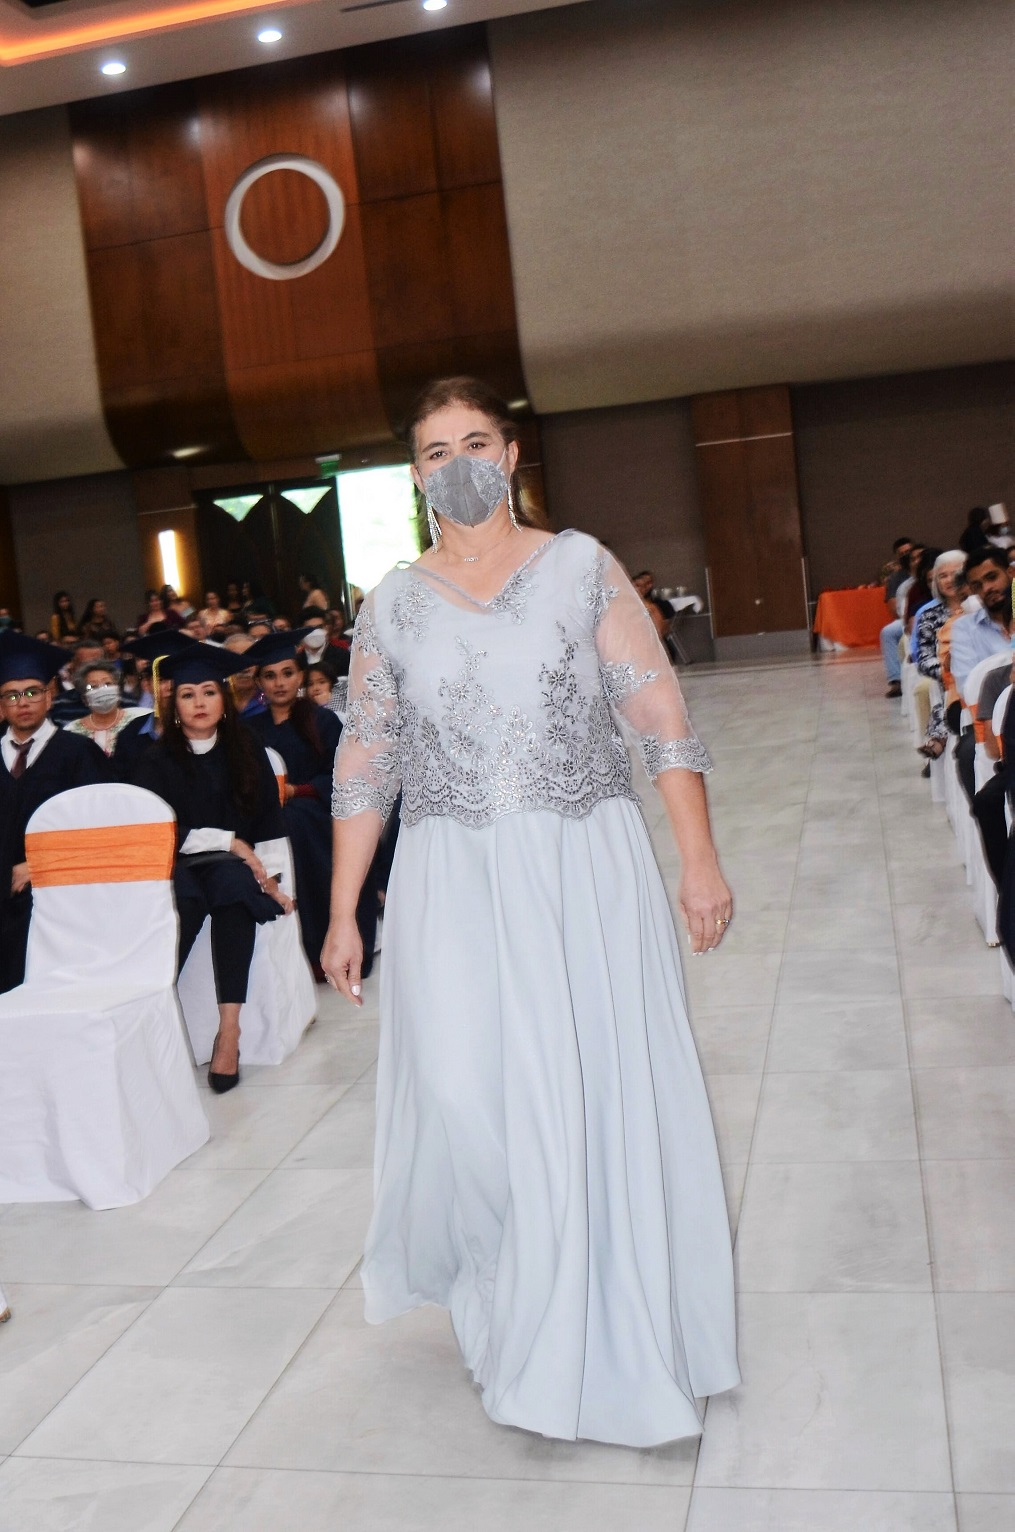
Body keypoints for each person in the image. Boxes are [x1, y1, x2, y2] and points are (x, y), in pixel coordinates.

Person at [321, 376, 738, 1448]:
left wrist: (698, 858)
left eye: (472, 441)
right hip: (449, 879)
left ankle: (591, 1325)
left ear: (508, 455)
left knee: (587, 1081)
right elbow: (366, 758)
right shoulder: (391, 602)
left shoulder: (576, 566)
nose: (454, 461)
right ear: (413, 475)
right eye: (430, 449)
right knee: (470, 1096)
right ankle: (514, 1282)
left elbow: (658, 713)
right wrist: (341, 909)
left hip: (576, 864)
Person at [135, 645, 292, 1091]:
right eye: (187, 694)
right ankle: (153, 1021)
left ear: (224, 700)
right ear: (173, 704)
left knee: (231, 889)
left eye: (208, 692)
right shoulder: (154, 760)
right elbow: (159, 829)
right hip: (175, 862)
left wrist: (275, 882)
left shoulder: (247, 752)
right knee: (184, 897)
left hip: (234, 867)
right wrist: (226, 840)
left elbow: (268, 821)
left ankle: (230, 1030)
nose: (200, 703)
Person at [245, 629, 376, 979]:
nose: (279, 683)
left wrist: (297, 792)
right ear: (259, 680)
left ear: (300, 676)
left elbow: (341, 776)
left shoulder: (321, 721)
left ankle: (325, 950)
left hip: (318, 814)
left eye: (287, 673)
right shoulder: (249, 730)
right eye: (270, 676)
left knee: (297, 823)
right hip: (268, 816)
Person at [0, 633, 108, 992]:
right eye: (11, 695)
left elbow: (96, 832)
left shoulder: (78, 754)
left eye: (32, 692)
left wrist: (42, 865)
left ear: (50, 695)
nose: (23, 703)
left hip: (55, 893)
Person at [111, 631, 200, 781]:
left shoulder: (205, 728)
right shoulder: (131, 734)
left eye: (177, 678)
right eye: (162, 679)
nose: (171, 686)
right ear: (146, 685)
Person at [64, 661, 148, 757]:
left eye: (108, 684)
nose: (102, 690)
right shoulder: (71, 731)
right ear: (84, 698)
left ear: (118, 690)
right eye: (93, 686)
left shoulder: (141, 720)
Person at [879, 537, 916, 696]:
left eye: (909, 552)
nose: (907, 555)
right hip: (906, 616)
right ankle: (896, 681)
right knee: (887, 632)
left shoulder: (927, 569)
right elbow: (894, 608)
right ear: (897, 557)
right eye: (902, 553)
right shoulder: (896, 578)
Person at [222, 633, 266, 717]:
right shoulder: (217, 699)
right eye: (236, 660)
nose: (244, 669)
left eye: (249, 660)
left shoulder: (271, 699)